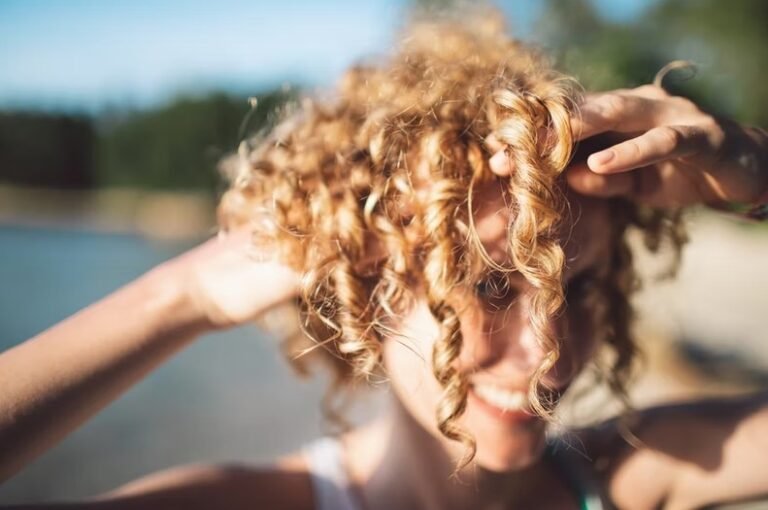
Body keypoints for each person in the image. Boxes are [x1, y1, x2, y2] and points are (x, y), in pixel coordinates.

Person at [1, 15, 767, 510]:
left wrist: (759, 176)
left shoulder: (629, 476)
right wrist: (184, 295)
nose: (550, 352)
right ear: (366, 284)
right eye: (493, 283)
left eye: (584, 284)